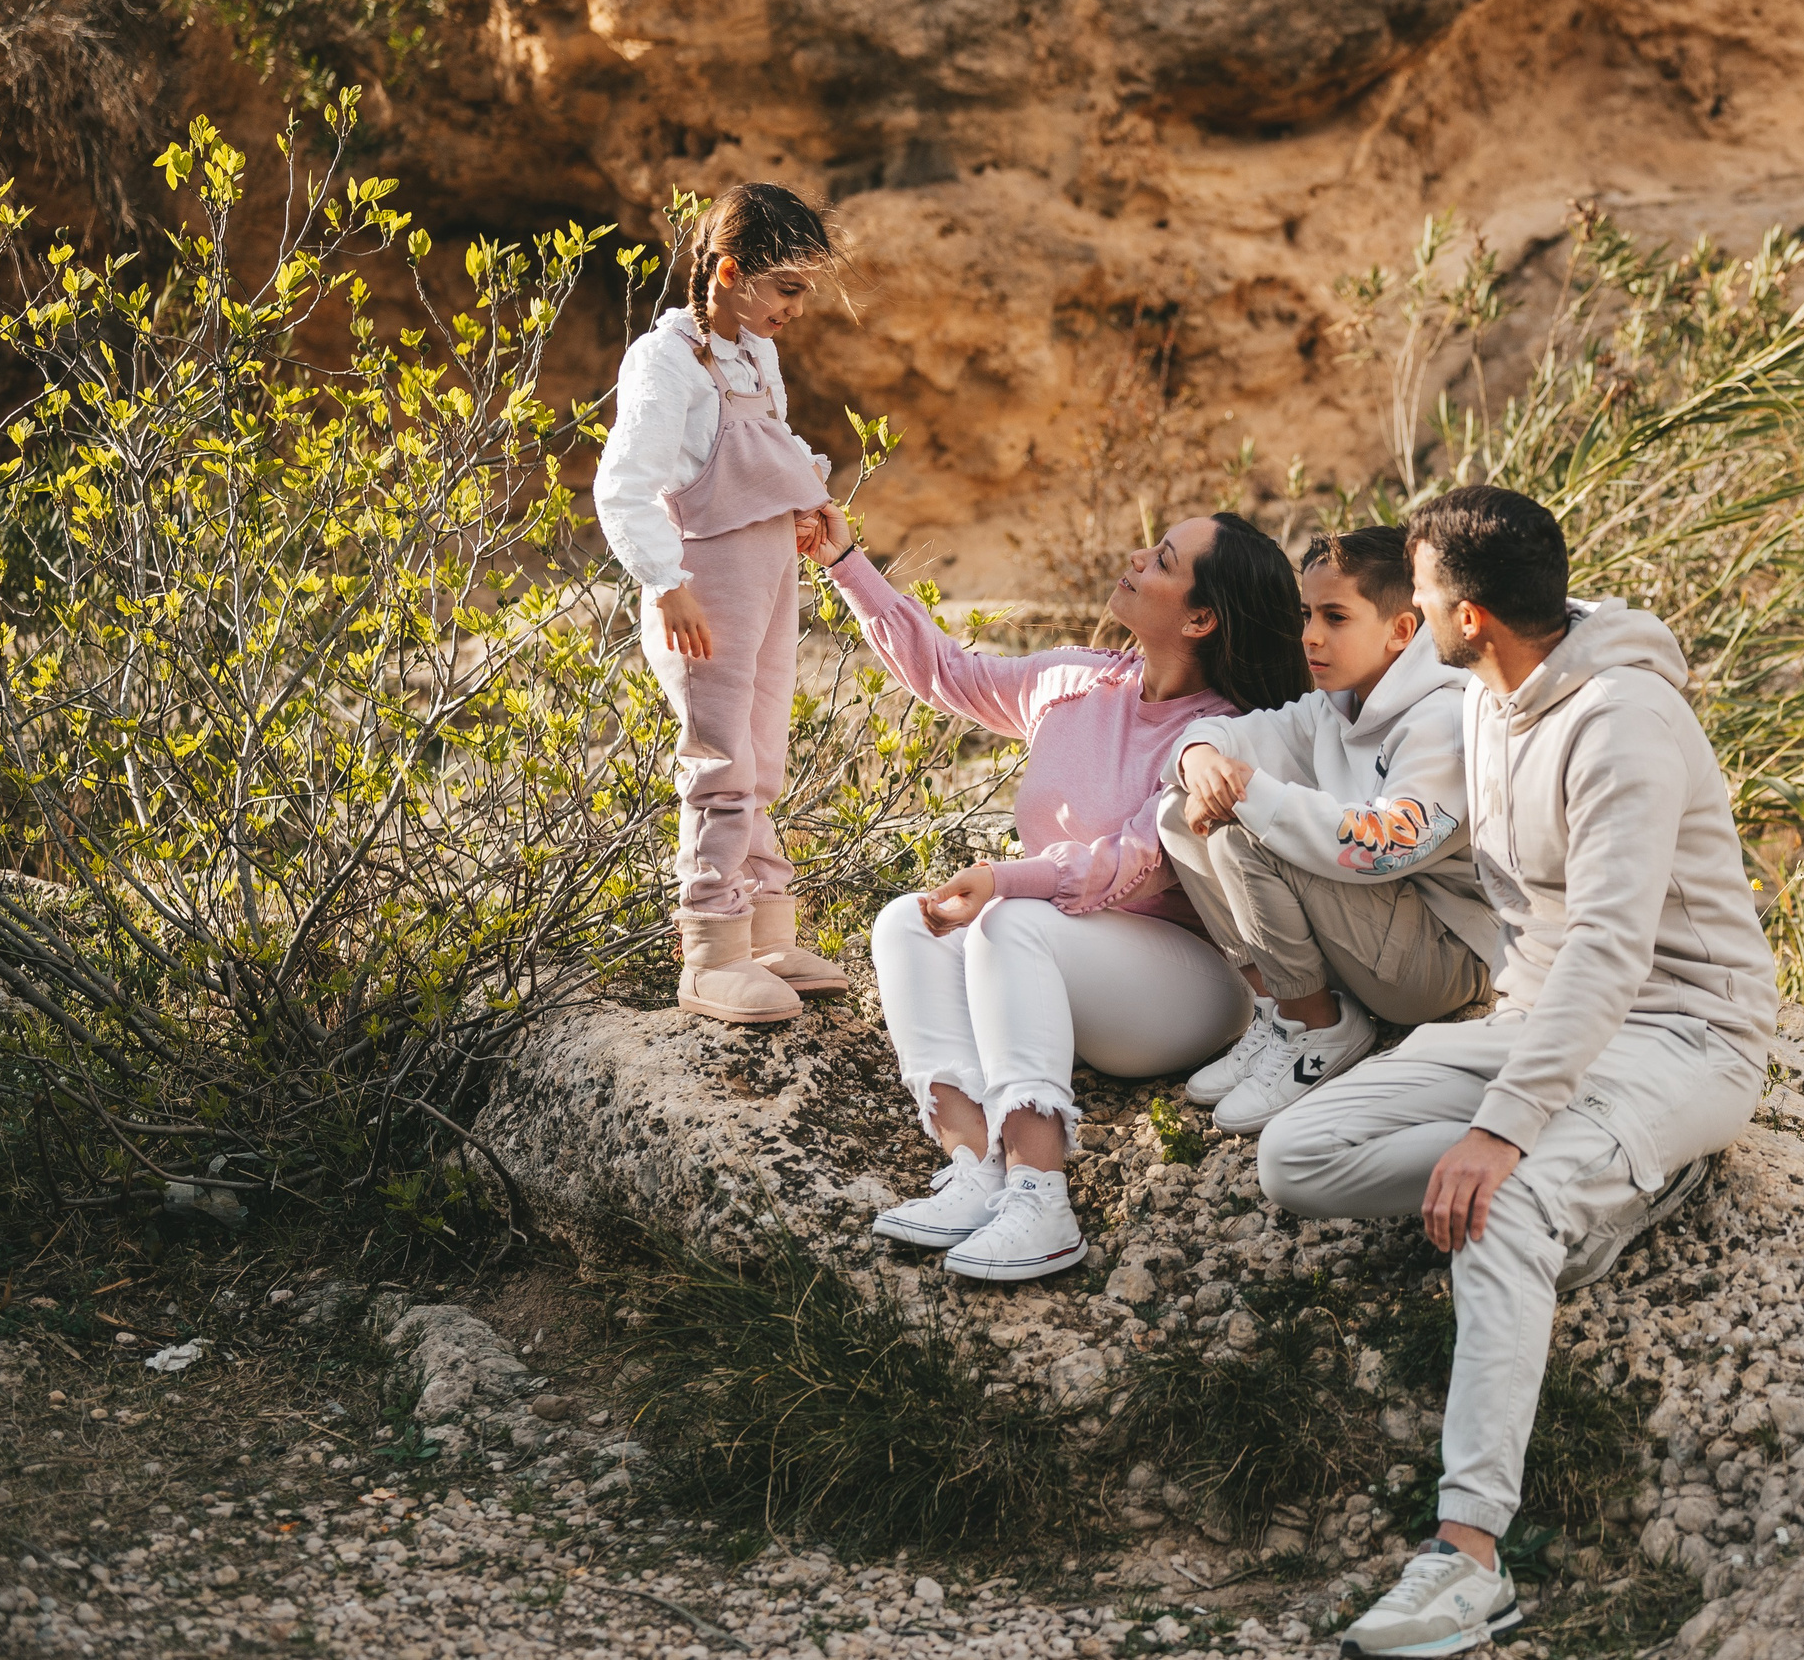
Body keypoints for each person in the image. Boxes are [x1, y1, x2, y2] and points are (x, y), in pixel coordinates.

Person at [1255, 487, 1779, 1659]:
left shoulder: (1622, 722)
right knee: (1295, 1156)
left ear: (1472, 615)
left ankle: (1466, 1557)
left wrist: (1502, 1132)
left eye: (1425, 593)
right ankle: (1603, 1179)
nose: (1412, 606)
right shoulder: (1484, 700)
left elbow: (1609, 946)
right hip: (1534, 1020)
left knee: (1508, 1203)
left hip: (1685, 1033)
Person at [807, 509, 1310, 1281]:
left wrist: (1005, 880)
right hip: (1061, 962)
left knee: (1010, 918)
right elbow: (947, 670)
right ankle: (977, 1170)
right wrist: (842, 558)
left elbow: (1128, 863)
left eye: (1164, 559)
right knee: (906, 924)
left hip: (1188, 991)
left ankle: (1042, 1197)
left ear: (1202, 617)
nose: (1137, 555)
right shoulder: (1082, 681)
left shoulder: (1222, 735)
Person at [592, 182, 856, 1025]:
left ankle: (766, 933)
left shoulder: (755, 356)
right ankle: (709, 950)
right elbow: (624, 484)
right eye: (786, 287)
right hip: (705, 587)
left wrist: (806, 495)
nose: (797, 308)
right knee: (720, 760)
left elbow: (769, 446)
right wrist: (665, 583)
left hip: (771, 570)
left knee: (760, 750)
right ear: (732, 272)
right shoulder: (666, 360)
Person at [1158, 524, 1495, 1135]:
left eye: (1335, 617)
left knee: (1241, 828)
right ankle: (1279, 1012)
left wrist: (1252, 794)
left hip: (1442, 960)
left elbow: (1388, 846)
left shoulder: (1441, 720)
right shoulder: (1337, 704)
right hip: (1374, 933)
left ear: (1401, 630)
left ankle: (1322, 1026)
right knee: (1177, 814)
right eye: (1307, 613)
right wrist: (1201, 760)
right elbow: (1229, 737)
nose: (1309, 636)